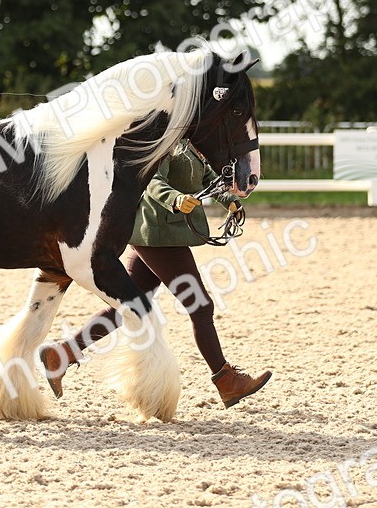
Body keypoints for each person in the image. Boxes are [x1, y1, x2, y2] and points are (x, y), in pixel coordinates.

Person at [38, 139, 272, 408]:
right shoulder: (166, 142)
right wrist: (176, 199)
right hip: (159, 234)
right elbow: (153, 182)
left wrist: (229, 200)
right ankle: (226, 380)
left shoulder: (191, 142)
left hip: (161, 234)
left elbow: (206, 174)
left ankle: (62, 354)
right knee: (200, 305)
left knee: (128, 306)